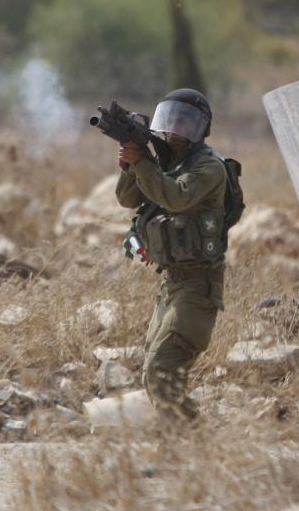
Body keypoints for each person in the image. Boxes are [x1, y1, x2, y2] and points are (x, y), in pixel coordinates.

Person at [115, 88, 228, 421]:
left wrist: (143, 163)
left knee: (161, 371)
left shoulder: (209, 168)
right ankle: (190, 441)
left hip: (198, 286)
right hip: (172, 283)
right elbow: (127, 199)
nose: (176, 127)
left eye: (185, 121)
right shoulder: (166, 163)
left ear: (201, 128)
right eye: (172, 119)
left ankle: (188, 442)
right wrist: (131, 164)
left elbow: (176, 198)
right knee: (153, 374)